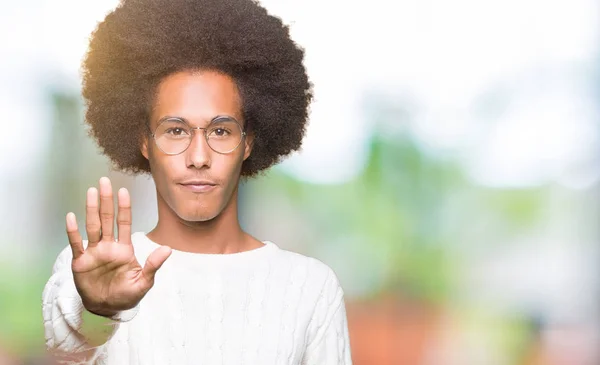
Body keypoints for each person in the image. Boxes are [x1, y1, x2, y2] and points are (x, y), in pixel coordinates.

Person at [41, 0, 352, 364]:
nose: (199, 157)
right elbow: (68, 346)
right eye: (175, 130)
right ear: (144, 140)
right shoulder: (91, 268)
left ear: (248, 141)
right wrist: (98, 310)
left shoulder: (310, 288)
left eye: (220, 130)